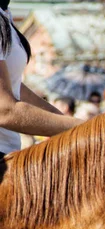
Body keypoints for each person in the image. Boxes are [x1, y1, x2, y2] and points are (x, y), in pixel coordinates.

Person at [0, 2, 81, 154]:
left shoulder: (4, 13)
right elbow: (4, 110)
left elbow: (13, 85)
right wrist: (84, 129)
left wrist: (62, 119)